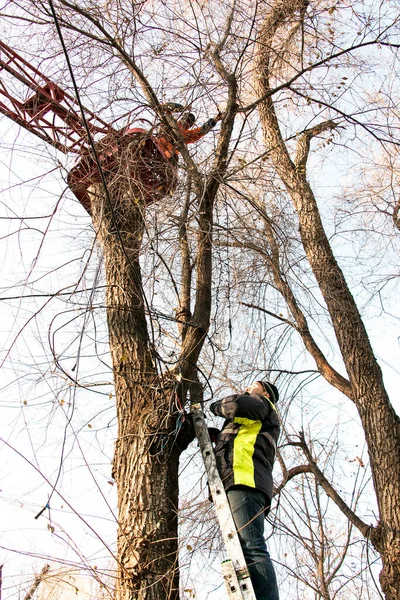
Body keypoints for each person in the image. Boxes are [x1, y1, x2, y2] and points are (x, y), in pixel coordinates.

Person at [210, 380, 280, 600]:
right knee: (244, 547)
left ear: (265, 393)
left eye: (254, 386)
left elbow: (235, 405)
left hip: (245, 481)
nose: (248, 389)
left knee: (251, 547)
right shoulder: (250, 420)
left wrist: (214, 407)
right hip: (239, 482)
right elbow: (236, 440)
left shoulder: (263, 404)